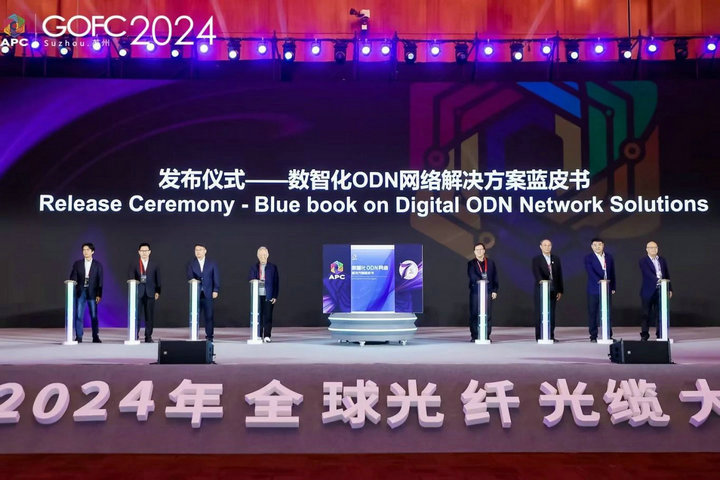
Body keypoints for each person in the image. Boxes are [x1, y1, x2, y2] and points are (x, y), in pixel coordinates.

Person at [68, 243, 103, 343]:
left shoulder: (97, 265)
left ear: (92, 251)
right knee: (79, 315)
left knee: (94, 315)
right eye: (84, 250)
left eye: (87, 250)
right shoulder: (77, 264)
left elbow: (100, 281)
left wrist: (99, 294)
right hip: (81, 291)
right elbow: (73, 277)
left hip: (93, 292)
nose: (85, 252)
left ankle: (95, 336)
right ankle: (79, 336)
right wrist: (73, 283)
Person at [584, 238, 616, 342]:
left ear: (603, 245)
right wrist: (601, 281)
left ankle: (608, 335)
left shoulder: (609, 257)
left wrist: (613, 287)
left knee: (607, 312)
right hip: (594, 289)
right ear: (592, 246)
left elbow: (612, 273)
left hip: (607, 289)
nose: (597, 247)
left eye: (599, 244)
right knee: (593, 313)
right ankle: (593, 336)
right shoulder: (588, 258)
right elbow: (590, 272)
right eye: (595, 245)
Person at [639, 241, 672, 341]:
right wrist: (658, 280)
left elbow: (666, 274)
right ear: (647, 249)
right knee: (646, 314)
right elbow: (647, 273)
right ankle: (644, 335)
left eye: (655, 247)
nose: (653, 249)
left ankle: (660, 334)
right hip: (648, 291)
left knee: (660, 313)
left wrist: (669, 288)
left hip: (661, 290)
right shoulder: (643, 261)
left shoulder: (662, 260)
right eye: (651, 248)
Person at [531, 239, 564, 342]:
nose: (547, 247)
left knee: (551, 313)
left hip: (553, 289)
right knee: (540, 313)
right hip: (541, 289)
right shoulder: (536, 259)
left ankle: (550, 335)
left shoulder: (556, 259)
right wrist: (541, 280)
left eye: (549, 245)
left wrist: (560, 290)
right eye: (545, 245)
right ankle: (539, 336)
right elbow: (536, 273)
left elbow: (559, 275)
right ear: (541, 247)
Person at [186, 244, 220, 342]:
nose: (198, 252)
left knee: (209, 316)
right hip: (195, 293)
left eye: (200, 250)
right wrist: (192, 279)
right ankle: (194, 335)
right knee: (195, 315)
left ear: (205, 251)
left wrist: (216, 289)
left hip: (208, 293)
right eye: (196, 250)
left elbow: (216, 277)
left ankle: (209, 336)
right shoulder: (191, 263)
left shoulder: (212, 263)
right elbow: (189, 276)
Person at [128, 242, 161, 343]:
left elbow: (158, 279)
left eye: (146, 251)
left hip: (150, 293)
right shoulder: (134, 264)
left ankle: (148, 336)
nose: (144, 253)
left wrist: (158, 291)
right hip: (138, 293)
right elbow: (131, 277)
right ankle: (135, 335)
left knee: (149, 316)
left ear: (149, 252)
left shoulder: (154, 265)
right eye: (142, 251)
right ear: (139, 252)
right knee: (136, 316)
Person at [467, 242, 499, 342]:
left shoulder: (490, 263)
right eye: (477, 250)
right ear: (474, 252)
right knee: (474, 314)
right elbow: (472, 276)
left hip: (488, 291)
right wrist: (481, 281)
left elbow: (495, 277)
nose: (479, 251)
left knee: (487, 314)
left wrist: (494, 290)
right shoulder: (471, 263)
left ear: (484, 251)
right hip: (476, 292)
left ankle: (486, 335)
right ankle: (475, 336)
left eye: (481, 249)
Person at [248, 246, 279, 343]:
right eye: (261, 255)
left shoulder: (273, 267)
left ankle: (267, 335)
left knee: (268, 316)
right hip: (257, 295)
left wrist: (275, 296)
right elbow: (251, 279)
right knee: (259, 316)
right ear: (258, 256)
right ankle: (258, 335)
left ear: (268, 255)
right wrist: (257, 281)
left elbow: (276, 282)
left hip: (268, 295)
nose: (263, 257)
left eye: (264, 255)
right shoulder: (254, 267)